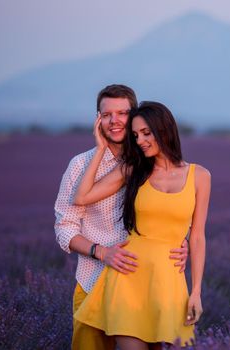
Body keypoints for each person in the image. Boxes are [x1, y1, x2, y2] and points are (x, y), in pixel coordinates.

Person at [54, 85, 189, 350]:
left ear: (135, 116)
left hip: (144, 283)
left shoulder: (152, 163)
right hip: (93, 278)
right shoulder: (80, 165)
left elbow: (175, 210)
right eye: (107, 115)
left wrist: (180, 242)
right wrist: (102, 252)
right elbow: (65, 228)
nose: (114, 121)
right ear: (98, 119)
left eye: (122, 113)